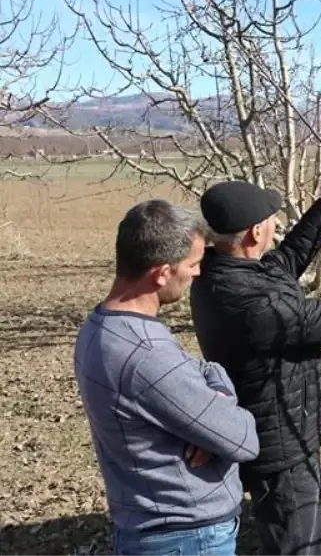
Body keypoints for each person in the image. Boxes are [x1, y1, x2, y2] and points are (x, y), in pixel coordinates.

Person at [189, 167, 321, 556]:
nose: (274, 227)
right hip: (282, 450)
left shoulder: (221, 270)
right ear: (256, 232)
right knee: (300, 545)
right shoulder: (255, 305)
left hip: (279, 433)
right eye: (271, 220)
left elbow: (285, 261)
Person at [74, 199, 260, 556]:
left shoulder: (99, 327)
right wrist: (215, 413)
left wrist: (210, 399)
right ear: (161, 273)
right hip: (187, 538)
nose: (198, 273)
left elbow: (205, 371)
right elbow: (242, 438)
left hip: (149, 525)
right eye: (192, 264)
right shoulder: (145, 354)